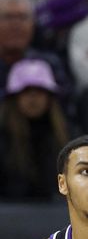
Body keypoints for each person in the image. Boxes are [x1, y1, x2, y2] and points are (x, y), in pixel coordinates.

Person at [0, 58, 71, 200]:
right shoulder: (2, 138)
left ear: (50, 97)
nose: (33, 97)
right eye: (26, 91)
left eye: (40, 90)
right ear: (13, 98)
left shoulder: (67, 138)